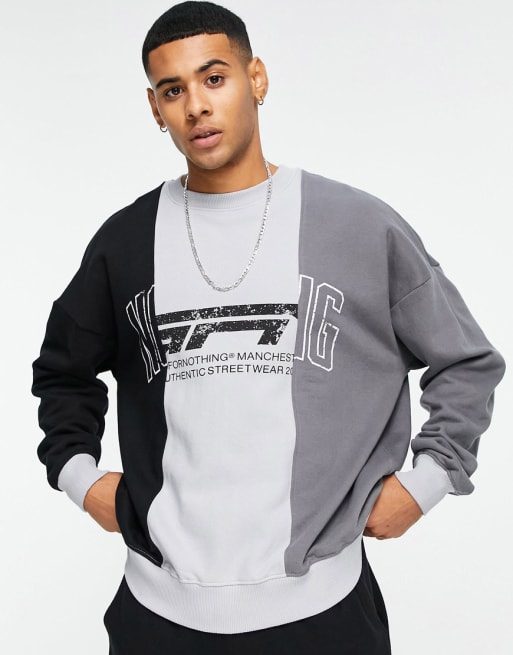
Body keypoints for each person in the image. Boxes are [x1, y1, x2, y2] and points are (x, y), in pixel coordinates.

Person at [32, 2, 505, 653]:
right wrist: (80, 478)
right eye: (173, 90)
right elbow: (62, 370)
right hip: (157, 611)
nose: (197, 106)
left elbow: (467, 362)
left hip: (323, 609)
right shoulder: (126, 242)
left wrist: (426, 482)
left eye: (214, 78)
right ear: (155, 109)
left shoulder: (356, 225)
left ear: (256, 78)